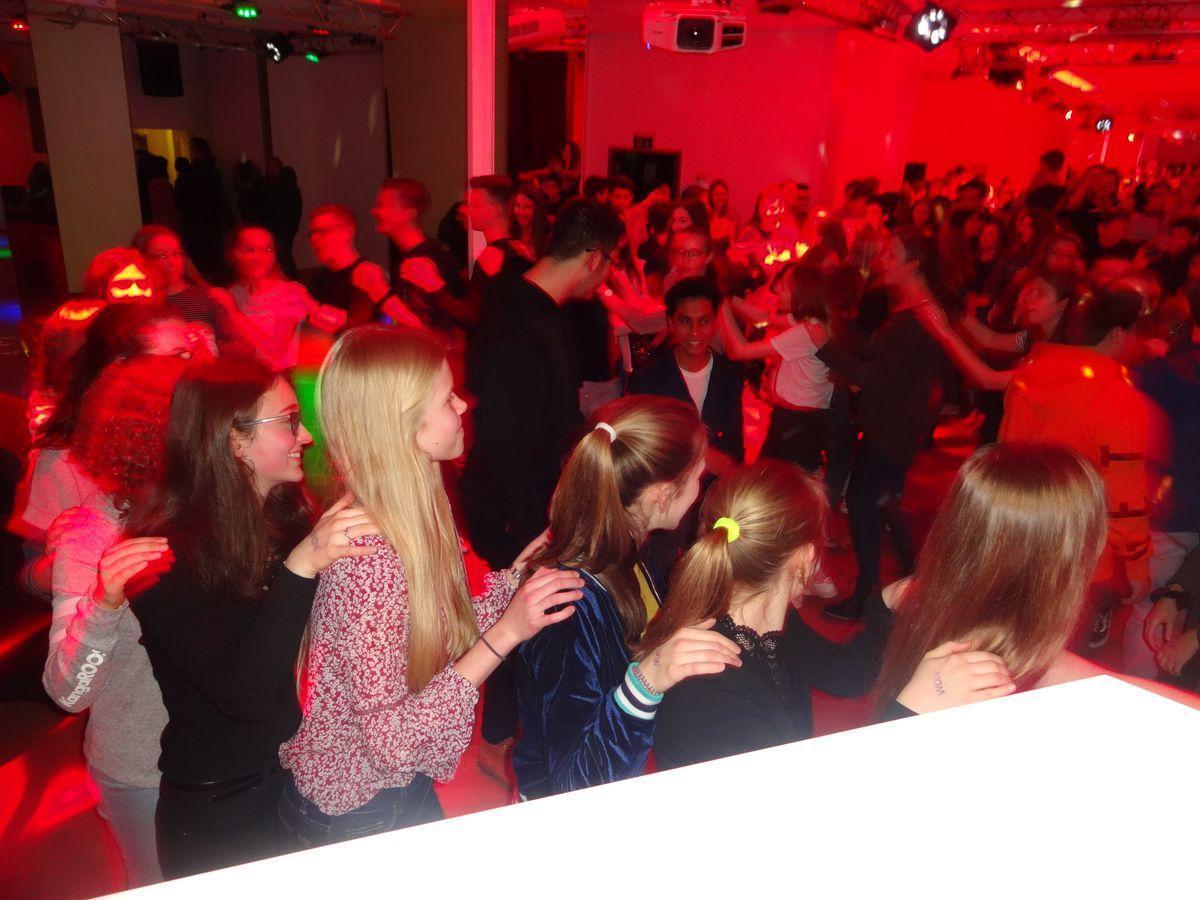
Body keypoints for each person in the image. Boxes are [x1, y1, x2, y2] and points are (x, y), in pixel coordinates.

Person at [277, 327, 582, 846]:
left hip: (393, 793)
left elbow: (436, 631)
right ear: (404, 424)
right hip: (354, 810)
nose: (463, 404)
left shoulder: (417, 507)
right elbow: (392, 743)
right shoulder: (370, 558)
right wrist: (505, 635)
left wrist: (517, 579)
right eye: (446, 398)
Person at [126, 359, 378, 878]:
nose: (306, 436)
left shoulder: (288, 517)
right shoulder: (162, 556)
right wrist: (301, 567)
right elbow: (245, 695)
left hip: (305, 779)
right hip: (224, 805)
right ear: (234, 440)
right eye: (289, 421)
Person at [462, 200, 625, 775]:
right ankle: (496, 740)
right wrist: (534, 526)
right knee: (519, 617)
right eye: (611, 263)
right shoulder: (519, 322)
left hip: (527, 496)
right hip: (515, 506)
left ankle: (506, 732)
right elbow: (504, 438)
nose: (607, 276)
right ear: (594, 258)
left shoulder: (530, 305)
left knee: (530, 616)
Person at [514, 396, 743, 799]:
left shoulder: (629, 549)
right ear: (662, 495)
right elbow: (573, 784)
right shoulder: (568, 609)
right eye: (698, 477)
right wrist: (648, 680)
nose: (701, 488)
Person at [874, 442, 1200, 719]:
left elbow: (1087, 678)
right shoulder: (993, 667)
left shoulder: (957, 610)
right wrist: (909, 709)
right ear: (1065, 556)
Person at [41, 354, 189, 889]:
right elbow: (68, 691)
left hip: (232, 760)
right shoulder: (92, 535)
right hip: (142, 769)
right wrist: (105, 604)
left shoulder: (224, 516)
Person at [648, 461, 899, 770]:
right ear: (806, 559)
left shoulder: (767, 622)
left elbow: (843, 673)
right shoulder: (710, 692)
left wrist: (887, 604)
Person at [999, 290, 1151, 655]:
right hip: (1080, 557)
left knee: (1017, 648)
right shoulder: (1115, 395)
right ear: (1117, 334)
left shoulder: (1030, 374)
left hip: (1019, 536)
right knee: (1062, 657)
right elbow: (1123, 495)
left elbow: (1003, 453)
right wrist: (1137, 566)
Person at [10, 303, 196, 599]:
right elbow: (32, 578)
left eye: (191, 354)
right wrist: (82, 557)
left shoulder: (196, 429)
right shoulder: (63, 459)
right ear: (124, 369)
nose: (194, 368)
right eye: (176, 356)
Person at [816, 231, 951, 621]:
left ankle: (868, 593)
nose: (882, 260)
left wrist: (824, 346)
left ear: (913, 264)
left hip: (892, 427)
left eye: (892, 254)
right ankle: (918, 577)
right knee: (882, 501)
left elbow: (875, 376)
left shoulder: (919, 317)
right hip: (893, 422)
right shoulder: (909, 309)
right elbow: (884, 363)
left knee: (864, 502)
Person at [628, 277, 744, 471]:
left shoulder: (730, 374)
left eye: (704, 321)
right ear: (671, 323)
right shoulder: (648, 379)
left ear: (715, 321)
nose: (695, 332)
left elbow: (735, 447)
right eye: (685, 322)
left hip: (717, 485)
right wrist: (702, 456)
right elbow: (640, 448)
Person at [226, 224, 344, 371]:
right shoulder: (234, 294)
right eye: (252, 249)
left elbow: (275, 350)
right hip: (245, 375)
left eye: (269, 249)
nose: (262, 256)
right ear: (238, 253)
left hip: (281, 378)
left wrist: (234, 313)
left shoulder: (289, 293)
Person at [132, 225, 256, 358]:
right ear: (143, 261)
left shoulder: (209, 297)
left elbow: (245, 347)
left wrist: (206, 342)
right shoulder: (140, 306)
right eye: (161, 256)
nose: (172, 262)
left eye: (177, 254)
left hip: (204, 370)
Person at [372, 178, 471, 333]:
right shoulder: (409, 256)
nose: (375, 211)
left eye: (384, 206)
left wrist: (381, 293)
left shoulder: (427, 260)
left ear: (409, 214)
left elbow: (427, 327)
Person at [304, 204, 420, 330]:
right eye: (312, 234)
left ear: (349, 232)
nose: (314, 239)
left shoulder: (367, 274)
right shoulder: (319, 279)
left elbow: (358, 327)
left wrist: (312, 308)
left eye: (322, 231)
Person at [467, 175, 534, 314]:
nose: (469, 210)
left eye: (475, 205)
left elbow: (476, 314)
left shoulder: (493, 258)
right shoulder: (517, 249)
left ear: (496, 210)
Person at [510, 183, 551, 260]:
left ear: (537, 210)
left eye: (527, 207)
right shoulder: (508, 232)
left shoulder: (546, 237)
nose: (521, 212)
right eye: (517, 205)